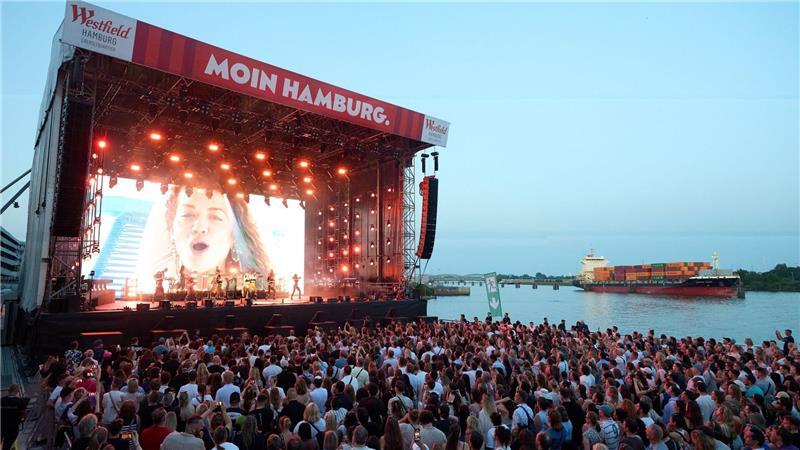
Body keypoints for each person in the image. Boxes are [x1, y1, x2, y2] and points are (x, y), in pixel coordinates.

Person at [136, 186, 272, 294]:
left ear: (234, 235)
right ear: (172, 229)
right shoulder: (152, 286)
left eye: (216, 217)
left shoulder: (248, 285)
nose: (199, 227)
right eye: (187, 215)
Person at [1, 385, 29, 449]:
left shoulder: (2, 400)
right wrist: (21, 420)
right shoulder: (20, 401)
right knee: (7, 444)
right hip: (13, 426)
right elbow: (24, 413)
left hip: (2, 425)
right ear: (17, 391)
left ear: (9, 391)